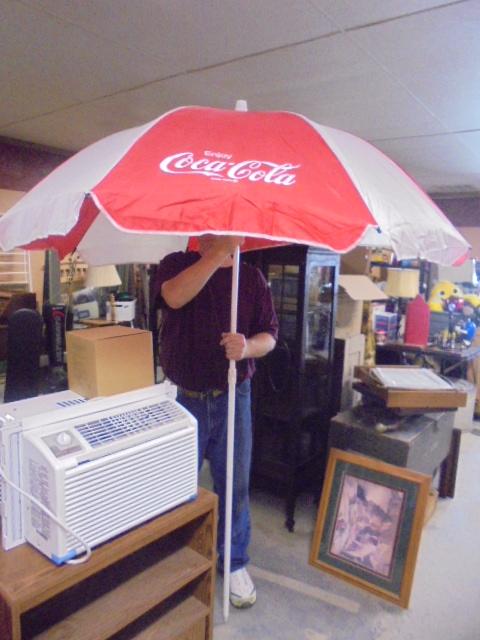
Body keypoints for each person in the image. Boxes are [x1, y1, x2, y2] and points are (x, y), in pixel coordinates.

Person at [154, 234, 278, 608]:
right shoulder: (176, 263)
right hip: (183, 398)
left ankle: (234, 559)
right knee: (176, 487)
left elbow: (269, 335)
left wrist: (247, 347)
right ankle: (175, 558)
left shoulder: (252, 278)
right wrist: (218, 254)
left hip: (233, 396)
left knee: (235, 483)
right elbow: (174, 297)